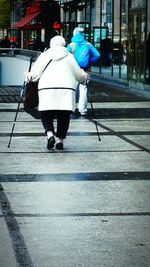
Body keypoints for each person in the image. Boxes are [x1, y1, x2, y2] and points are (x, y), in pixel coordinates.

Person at [25, 35, 88, 150]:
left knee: (46, 114)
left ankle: (50, 135)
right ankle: (60, 141)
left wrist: (27, 76)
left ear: (51, 44)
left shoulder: (44, 55)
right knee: (64, 116)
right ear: (64, 44)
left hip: (47, 90)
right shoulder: (69, 56)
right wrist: (84, 78)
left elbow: (34, 75)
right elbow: (79, 75)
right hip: (66, 90)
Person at [67, 27, 100, 115]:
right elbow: (97, 55)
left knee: (72, 89)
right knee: (83, 89)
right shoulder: (88, 44)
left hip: (73, 71)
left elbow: (65, 56)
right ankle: (82, 109)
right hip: (85, 70)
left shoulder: (71, 45)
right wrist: (90, 61)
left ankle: (72, 108)